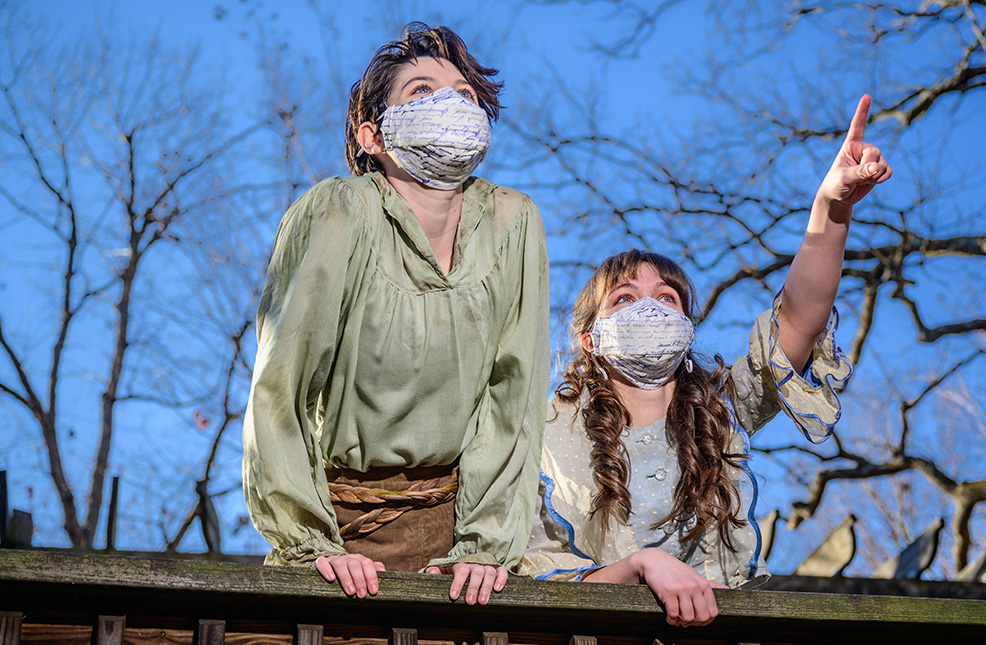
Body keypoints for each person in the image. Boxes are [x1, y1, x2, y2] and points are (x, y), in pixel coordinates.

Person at [516, 96, 891, 626]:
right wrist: (643, 566)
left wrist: (832, 209)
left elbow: (802, 317)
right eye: (624, 298)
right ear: (590, 339)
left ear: (687, 327)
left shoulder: (723, 405)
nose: (649, 305)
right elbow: (538, 573)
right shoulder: (540, 432)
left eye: (666, 297)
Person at [242, 23, 549, 607]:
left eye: (464, 94)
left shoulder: (515, 221)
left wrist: (482, 548)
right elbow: (279, 388)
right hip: (340, 527)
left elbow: (515, 399)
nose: (450, 104)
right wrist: (313, 544)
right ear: (372, 136)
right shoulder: (340, 210)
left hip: (459, 538)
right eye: (420, 91)